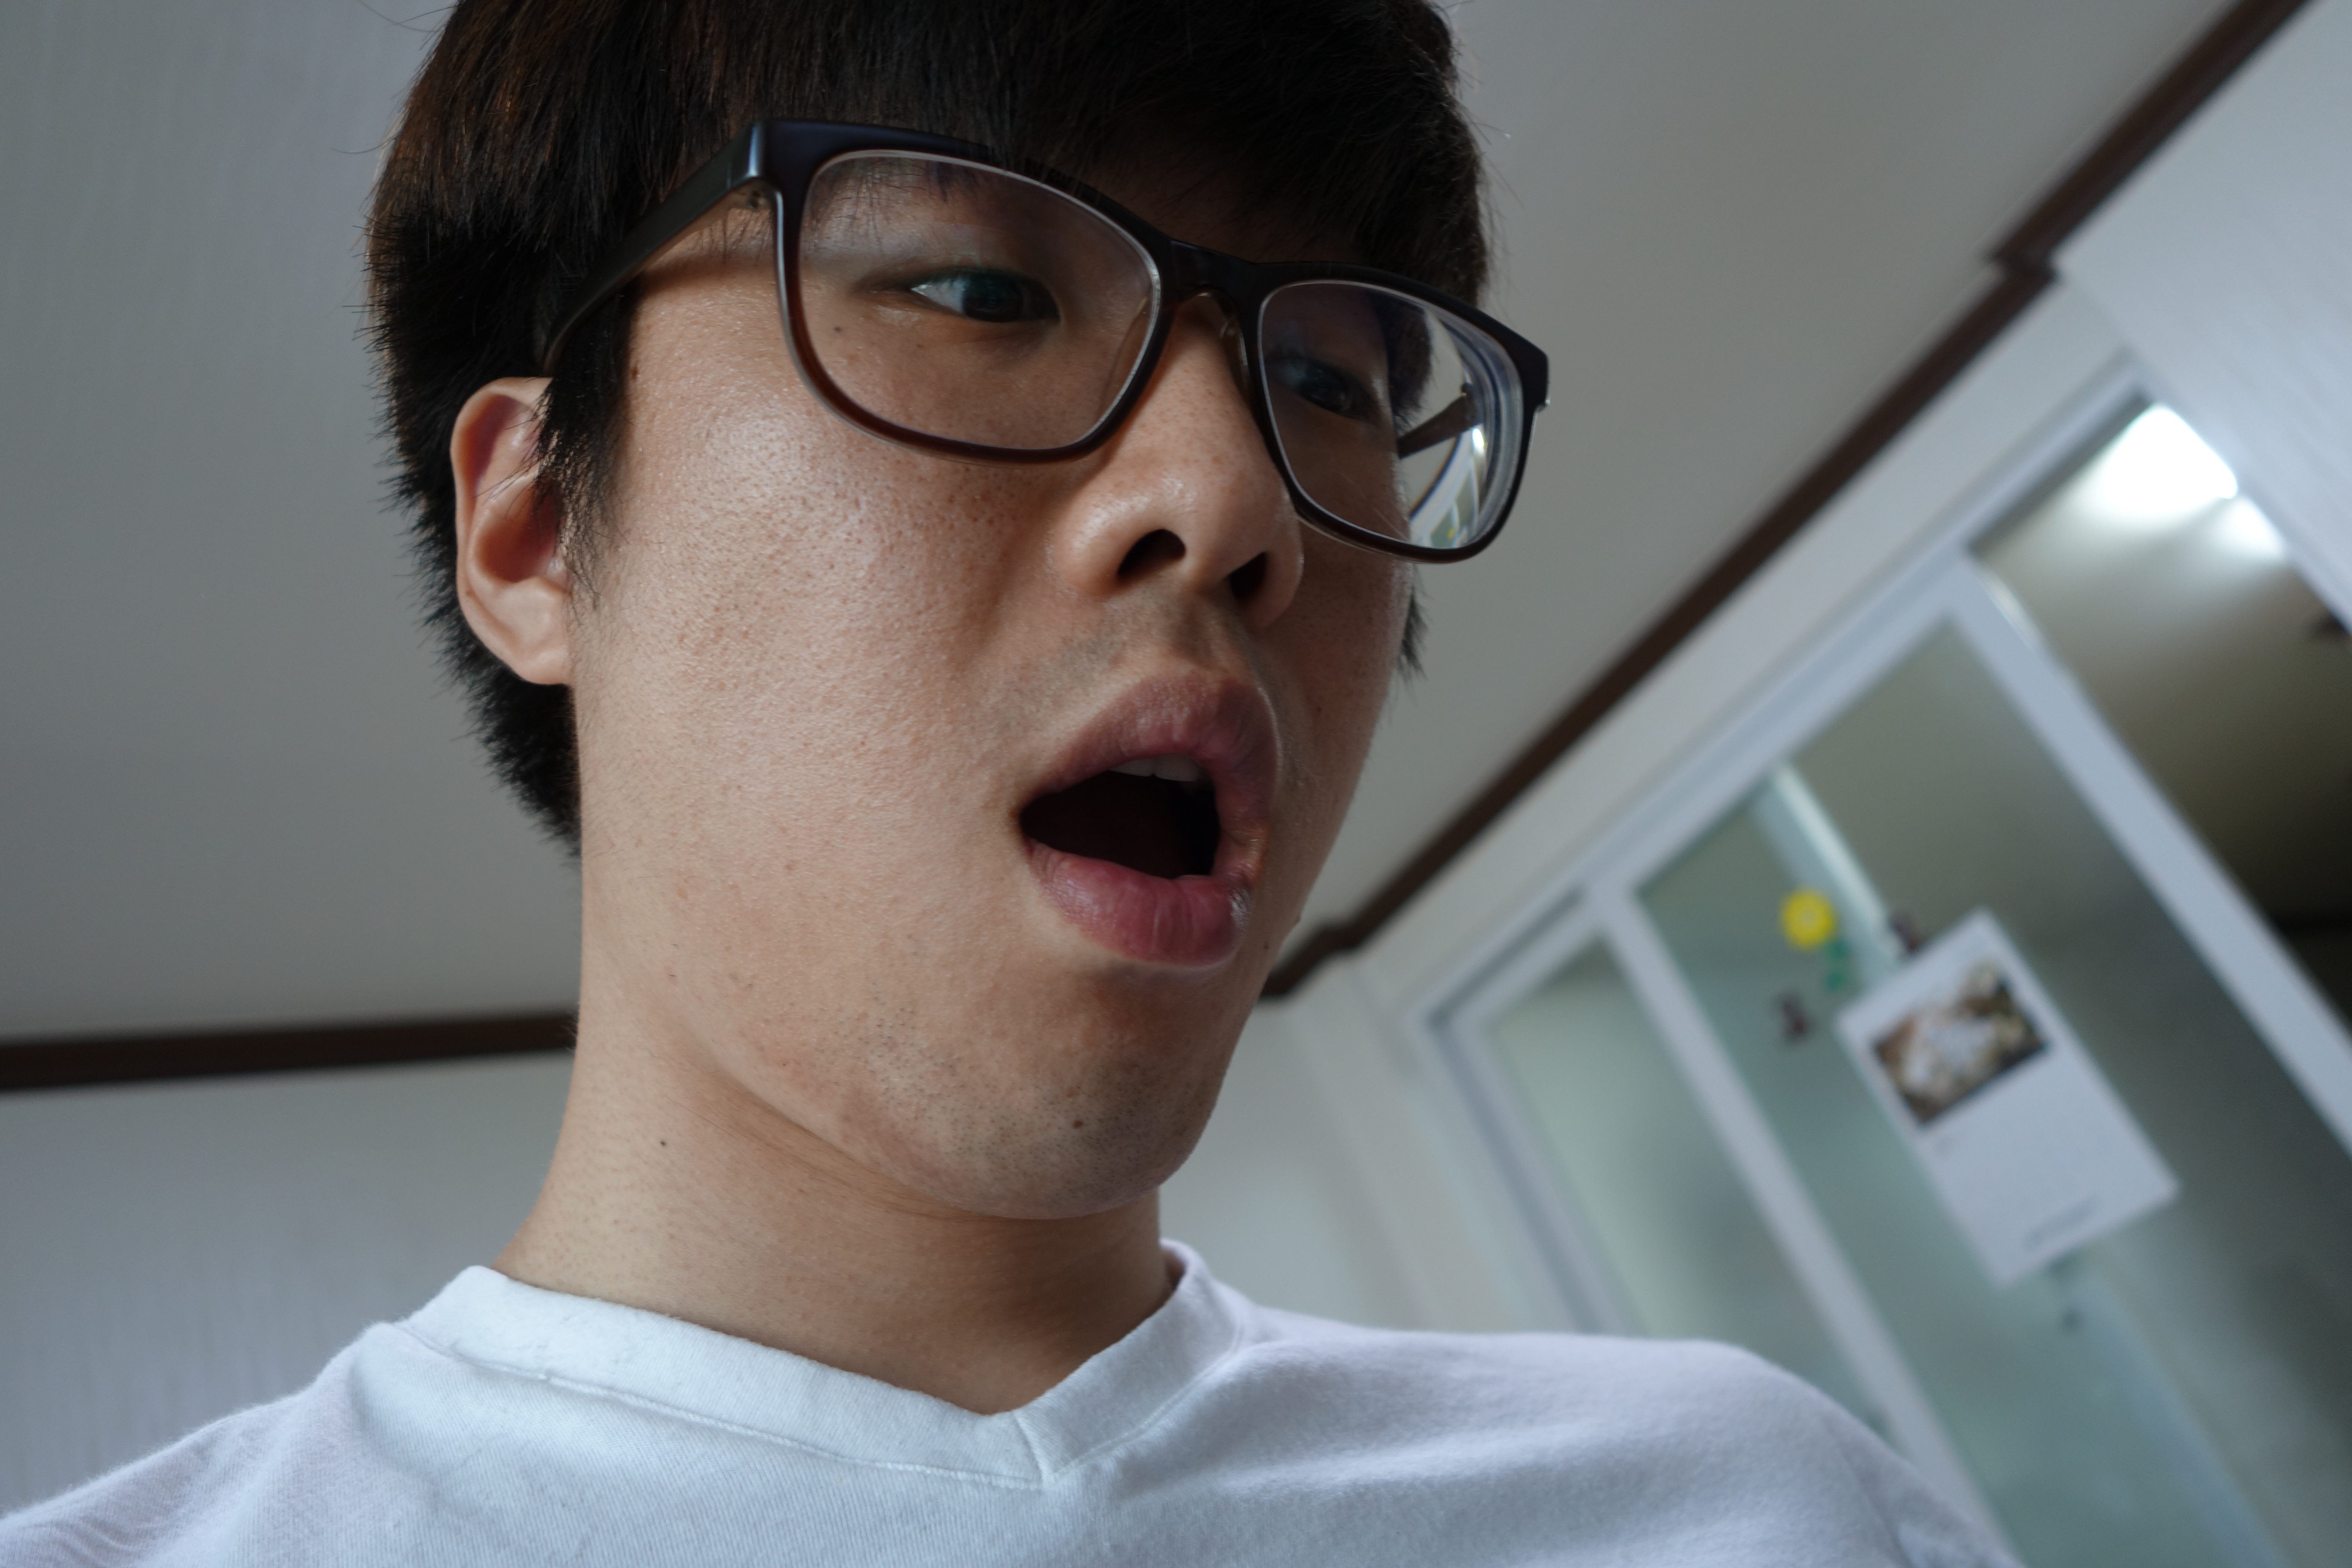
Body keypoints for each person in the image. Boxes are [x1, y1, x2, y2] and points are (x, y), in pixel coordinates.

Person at [2, 1, 2013, 1562]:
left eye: (1332, 383)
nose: (1236, 499)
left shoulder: (1759, 1509)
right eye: (982, 293)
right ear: (535, 529)